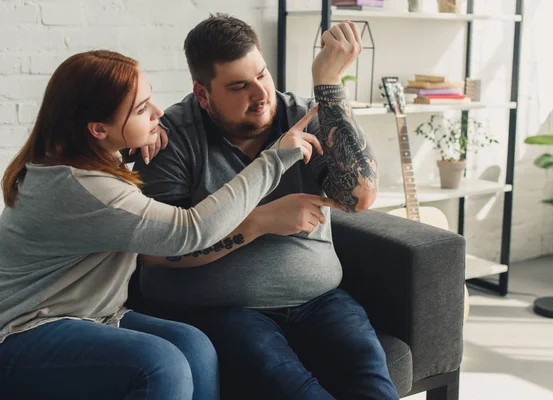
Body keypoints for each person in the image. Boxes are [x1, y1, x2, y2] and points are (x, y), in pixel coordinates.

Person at [0, 50, 325, 400]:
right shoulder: (84, 187)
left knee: (195, 345)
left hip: (93, 315)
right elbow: (189, 230)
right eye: (141, 110)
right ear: (98, 129)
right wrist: (274, 159)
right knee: (161, 362)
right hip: (22, 331)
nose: (158, 114)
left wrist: (130, 143)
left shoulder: (75, 158)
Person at [134, 14, 398, 400]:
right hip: (225, 311)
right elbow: (156, 252)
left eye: (262, 75)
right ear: (203, 94)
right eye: (239, 86)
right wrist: (258, 222)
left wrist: (329, 86)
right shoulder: (173, 138)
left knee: (373, 385)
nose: (260, 95)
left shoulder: (300, 116)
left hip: (320, 300)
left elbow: (358, 196)